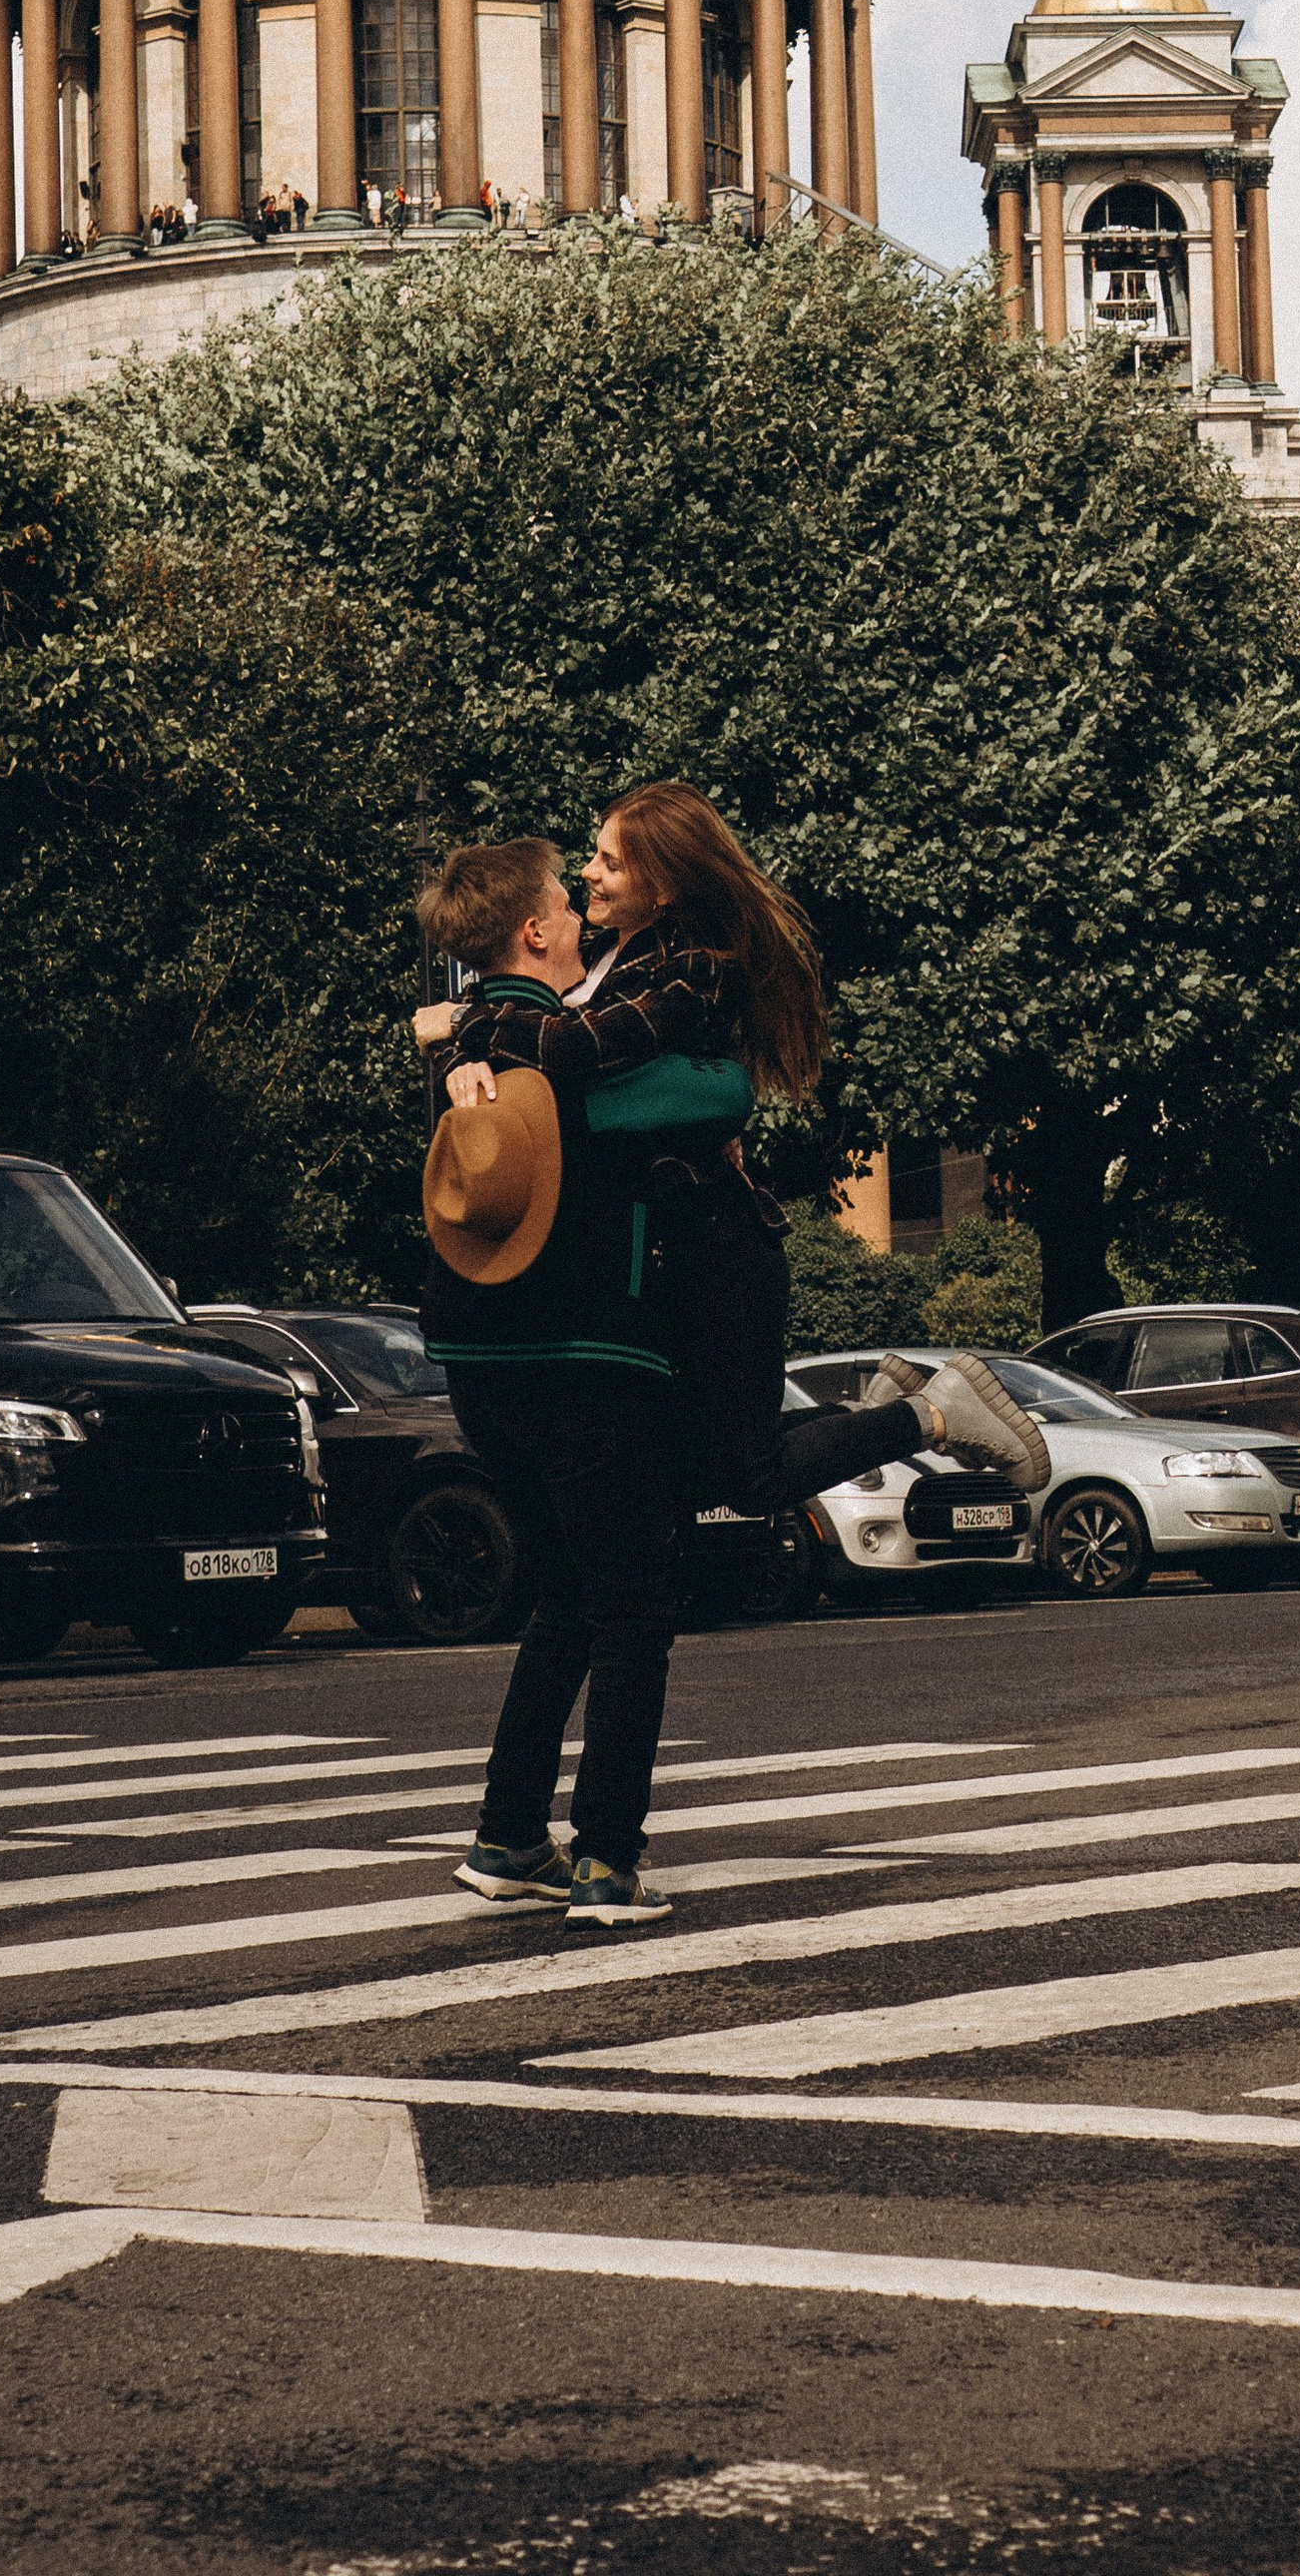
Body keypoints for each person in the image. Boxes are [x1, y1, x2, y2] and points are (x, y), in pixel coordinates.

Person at [417, 828, 1039, 1938]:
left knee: (565, 1595)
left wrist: (455, 1034)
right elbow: (708, 1096)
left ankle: (510, 1836)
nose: (583, 892)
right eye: (572, 884)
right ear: (536, 928)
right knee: (634, 1605)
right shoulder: (559, 1054)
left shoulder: (500, 1043)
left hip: (478, 1364)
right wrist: (497, 1045)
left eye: (600, 865)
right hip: (590, 1355)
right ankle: (607, 1858)